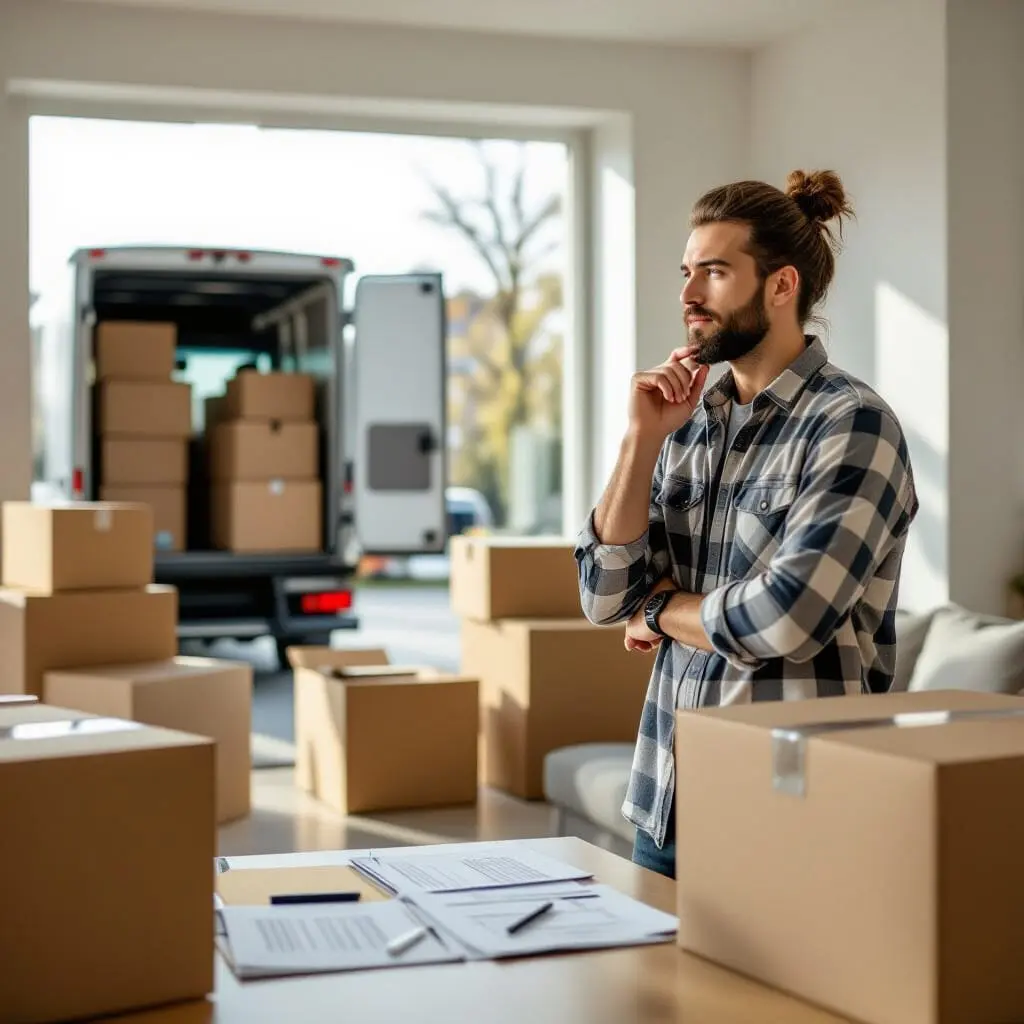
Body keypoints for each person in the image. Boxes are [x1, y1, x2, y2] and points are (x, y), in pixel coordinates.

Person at [574, 169, 919, 879]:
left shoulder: (852, 424)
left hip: (789, 813)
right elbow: (603, 597)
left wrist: (660, 609)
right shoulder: (682, 425)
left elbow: (787, 617)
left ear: (781, 285)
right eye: (687, 272)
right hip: (667, 801)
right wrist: (640, 439)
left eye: (715, 272)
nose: (688, 295)